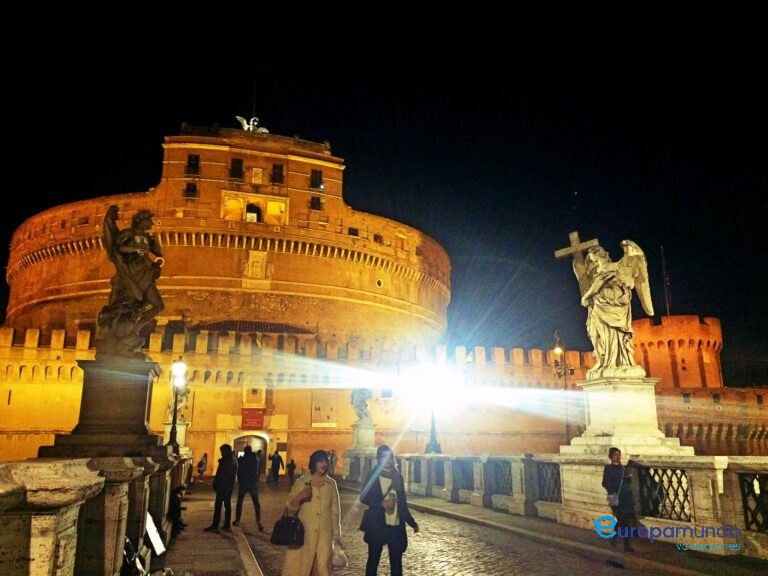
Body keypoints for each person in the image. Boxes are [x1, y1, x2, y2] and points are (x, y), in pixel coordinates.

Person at [97, 205, 165, 358]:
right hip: (130, 275)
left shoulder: (147, 238)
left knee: (158, 306)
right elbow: (118, 249)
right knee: (124, 307)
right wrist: (135, 250)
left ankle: (135, 330)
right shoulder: (129, 233)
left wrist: (155, 256)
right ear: (142, 221)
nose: (152, 224)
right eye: (150, 221)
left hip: (145, 275)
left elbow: (156, 254)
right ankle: (121, 333)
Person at [579, 241, 653, 380]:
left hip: (614, 305)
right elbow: (594, 283)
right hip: (599, 305)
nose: (591, 260)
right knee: (594, 333)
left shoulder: (616, 267)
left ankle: (617, 361)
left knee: (614, 334)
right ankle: (603, 361)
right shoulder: (597, 271)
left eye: (592, 257)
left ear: (599, 255)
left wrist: (586, 296)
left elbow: (598, 284)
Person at [281, 450, 344, 576]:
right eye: (321, 461)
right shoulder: (301, 482)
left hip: (324, 537)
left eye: (326, 462)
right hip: (304, 536)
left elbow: (335, 512)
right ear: (314, 463)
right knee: (302, 569)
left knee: (321, 570)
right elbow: (289, 508)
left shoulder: (331, 484)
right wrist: (299, 497)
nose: (324, 464)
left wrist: (336, 535)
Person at [360, 444, 419, 576]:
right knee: (373, 560)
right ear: (378, 459)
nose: (386, 460)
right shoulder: (372, 475)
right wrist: (380, 503)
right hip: (377, 524)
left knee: (396, 563)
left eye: (389, 456)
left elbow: (403, 503)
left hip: (396, 526)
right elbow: (363, 497)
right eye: (383, 457)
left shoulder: (398, 477)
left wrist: (411, 522)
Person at [602, 447, 636, 552]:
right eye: (615, 455)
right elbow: (604, 483)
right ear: (611, 456)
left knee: (624, 521)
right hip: (615, 498)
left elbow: (628, 483)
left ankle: (624, 543)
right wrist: (612, 489)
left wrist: (627, 479)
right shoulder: (608, 468)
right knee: (622, 520)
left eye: (619, 455)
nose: (618, 457)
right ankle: (618, 540)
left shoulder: (623, 468)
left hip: (625, 498)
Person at [204, 443, 237, 533]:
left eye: (222, 451)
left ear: (226, 451)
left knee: (218, 506)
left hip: (223, 486)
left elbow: (223, 474)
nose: (221, 453)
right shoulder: (233, 459)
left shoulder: (227, 461)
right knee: (227, 505)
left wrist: (217, 484)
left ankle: (215, 525)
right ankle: (226, 524)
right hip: (229, 486)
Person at [233, 446, 264, 531]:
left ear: (245, 451)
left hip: (244, 483)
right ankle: (259, 521)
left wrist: (239, 479)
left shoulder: (243, 459)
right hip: (253, 483)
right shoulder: (256, 459)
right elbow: (258, 470)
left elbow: (239, 470)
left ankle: (238, 520)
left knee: (240, 502)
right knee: (256, 503)